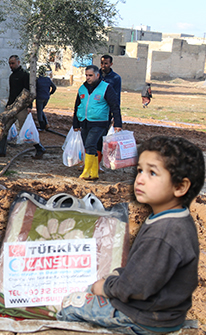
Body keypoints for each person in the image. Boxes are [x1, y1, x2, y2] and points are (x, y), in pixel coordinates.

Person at [57, 136, 204, 335]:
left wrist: (105, 287)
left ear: (180, 187)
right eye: (140, 171)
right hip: (164, 313)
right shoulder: (173, 220)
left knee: (70, 304)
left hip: (144, 318)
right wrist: (119, 275)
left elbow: (136, 288)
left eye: (152, 173)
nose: (140, 179)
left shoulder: (163, 234)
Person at [0, 55, 46, 159]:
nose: (11, 65)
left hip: (22, 108)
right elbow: (12, 93)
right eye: (10, 63)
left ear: (19, 63)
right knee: (3, 127)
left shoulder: (25, 75)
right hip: (12, 107)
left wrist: (29, 106)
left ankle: (39, 148)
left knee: (27, 129)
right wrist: (8, 106)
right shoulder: (12, 76)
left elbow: (29, 92)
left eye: (13, 63)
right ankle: (1, 151)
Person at [72, 65, 121, 181]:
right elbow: (77, 106)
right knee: (88, 146)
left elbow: (115, 106)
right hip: (84, 122)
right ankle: (94, 172)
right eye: (86, 75)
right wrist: (75, 124)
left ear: (97, 75)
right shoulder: (82, 88)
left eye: (90, 75)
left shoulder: (106, 88)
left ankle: (86, 171)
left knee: (90, 144)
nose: (88, 78)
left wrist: (118, 123)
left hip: (100, 122)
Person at [35, 65, 56, 131]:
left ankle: (42, 126)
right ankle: (46, 123)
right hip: (46, 97)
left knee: (39, 112)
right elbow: (54, 87)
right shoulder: (48, 79)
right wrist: (50, 93)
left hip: (39, 97)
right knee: (41, 110)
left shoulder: (37, 79)